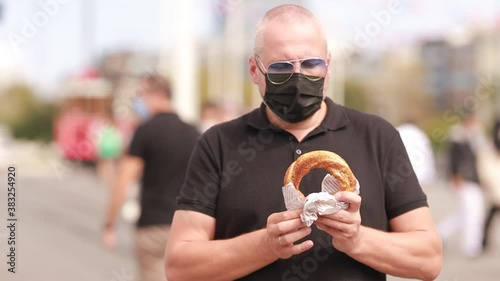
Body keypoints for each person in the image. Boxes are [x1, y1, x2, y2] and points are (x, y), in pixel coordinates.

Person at [165, 5, 442, 281]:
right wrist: (265, 245)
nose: (298, 78)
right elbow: (180, 267)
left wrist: (358, 240)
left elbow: (428, 260)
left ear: (328, 66)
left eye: (311, 64)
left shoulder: (377, 136)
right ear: (254, 69)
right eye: (281, 67)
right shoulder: (218, 144)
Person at [102, 74, 200, 281]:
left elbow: (123, 181)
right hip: (188, 227)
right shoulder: (193, 133)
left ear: (155, 95)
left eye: (140, 95)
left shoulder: (145, 132)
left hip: (153, 227)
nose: (139, 101)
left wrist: (110, 223)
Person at [438, 113, 486, 258]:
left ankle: (440, 233)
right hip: (464, 181)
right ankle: (471, 246)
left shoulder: (476, 138)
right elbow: (452, 160)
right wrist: (455, 177)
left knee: (463, 214)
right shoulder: (458, 138)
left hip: (473, 181)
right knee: (472, 214)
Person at [396, 121, 436, 188]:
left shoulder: (397, 131)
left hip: (399, 175)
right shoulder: (420, 134)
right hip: (420, 175)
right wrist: (430, 173)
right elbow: (428, 154)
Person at [480, 117, 500, 250]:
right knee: (492, 212)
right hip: (495, 175)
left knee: (492, 213)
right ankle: (483, 240)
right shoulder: (492, 143)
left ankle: (483, 240)